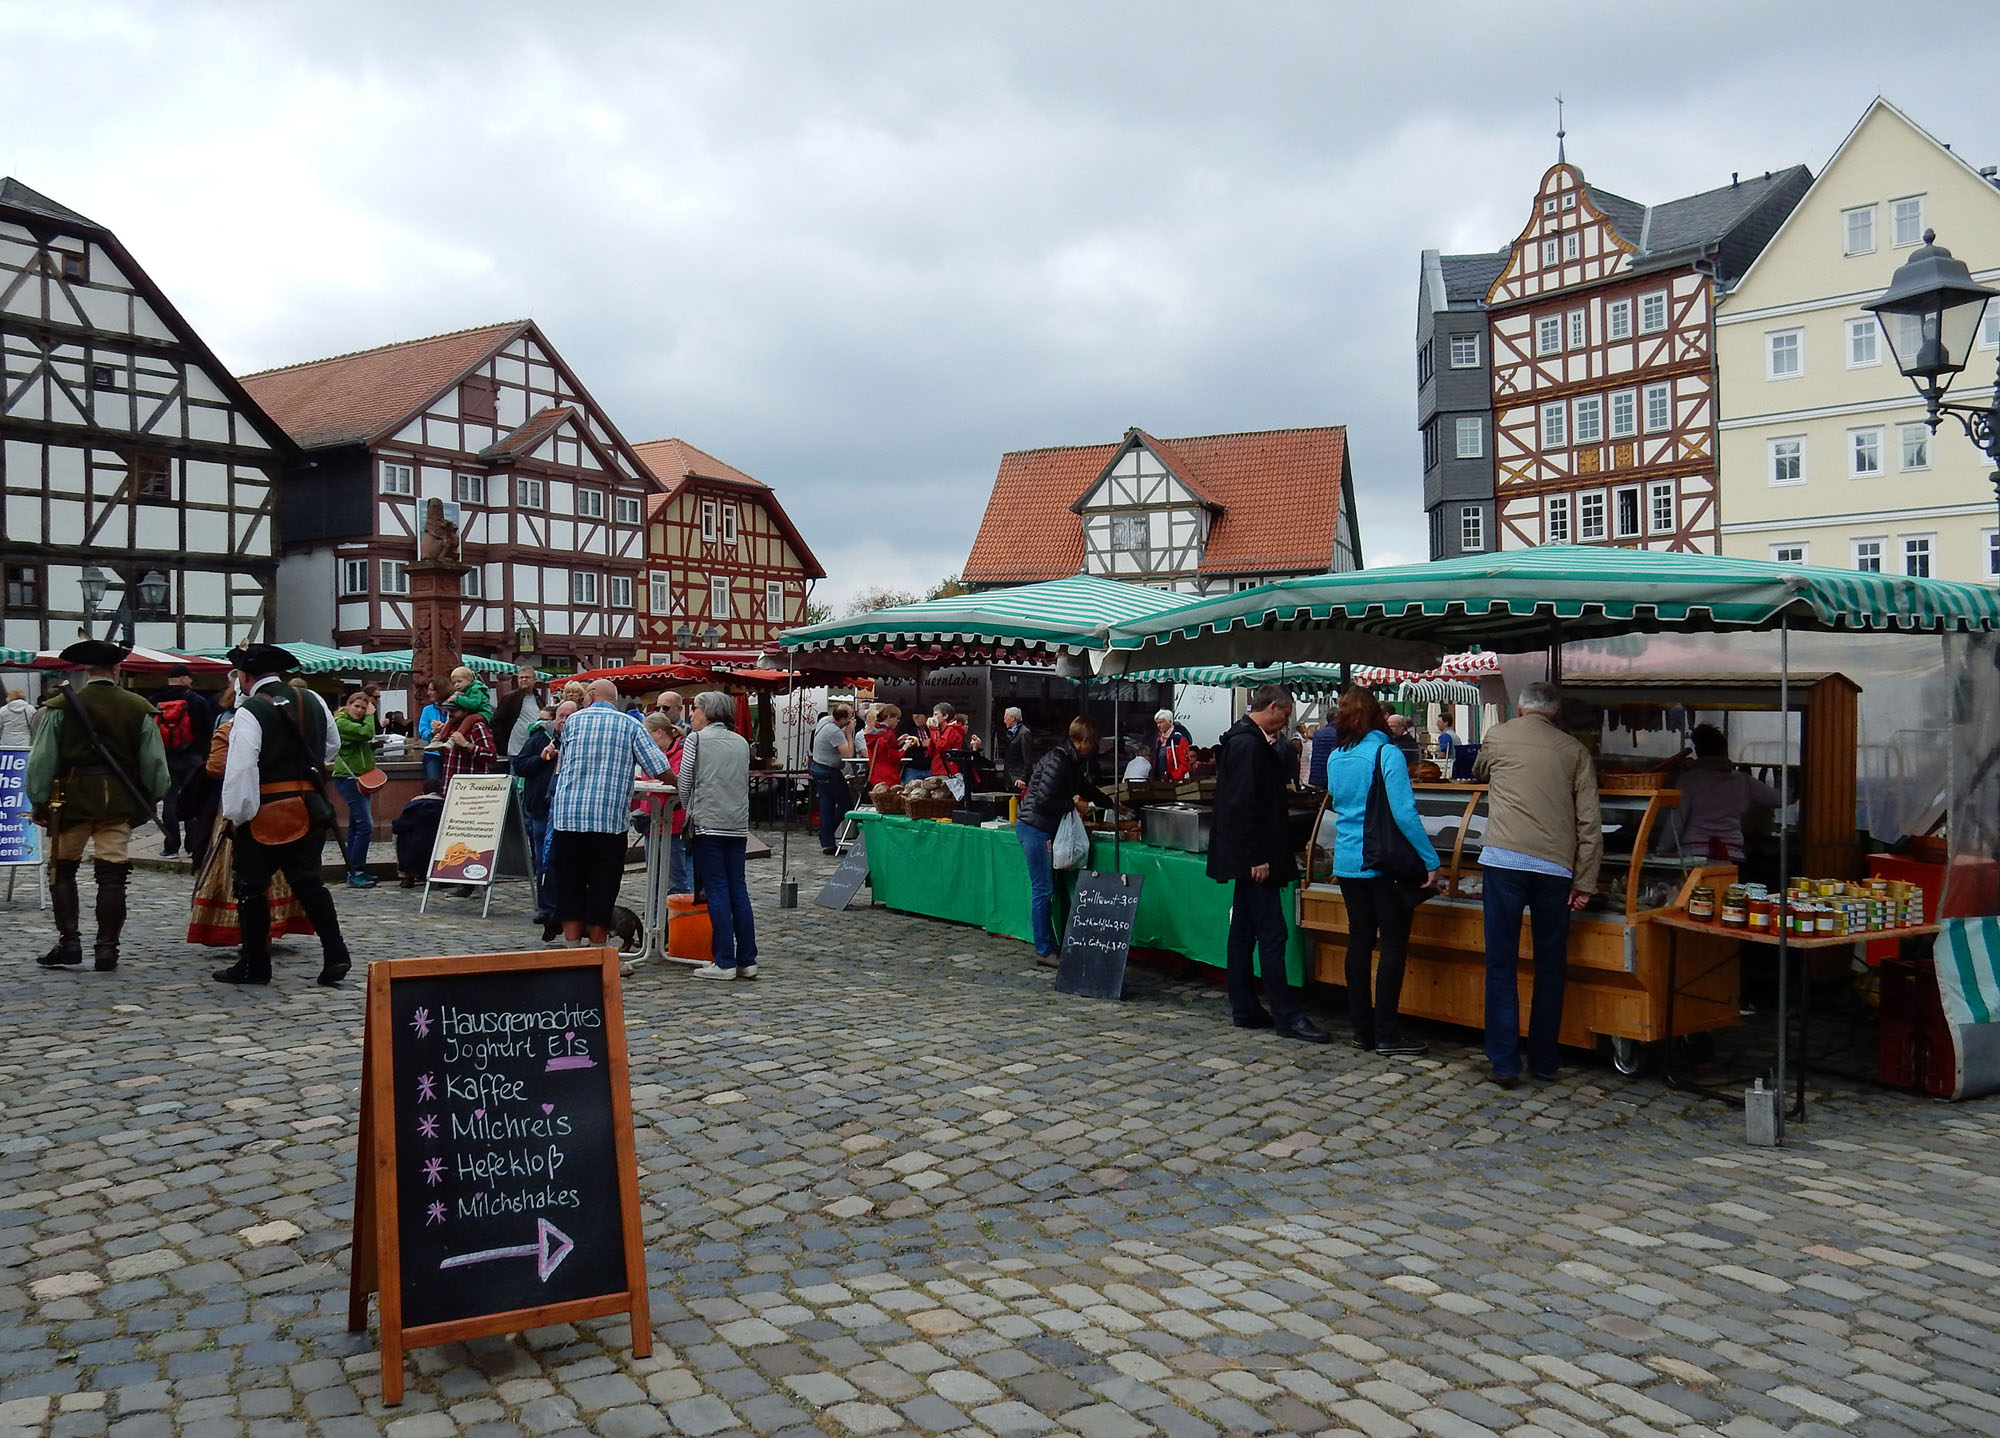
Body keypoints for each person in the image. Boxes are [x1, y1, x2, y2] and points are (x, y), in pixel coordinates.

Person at [1474, 681, 1602, 1088]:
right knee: (1550, 966)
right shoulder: (1574, 751)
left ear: (1520, 707)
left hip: (1504, 861)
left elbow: (1478, 770)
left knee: (1501, 964)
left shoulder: (1498, 736)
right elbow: (1589, 823)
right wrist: (1585, 880)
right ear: (1556, 712)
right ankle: (1545, 1061)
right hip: (1555, 868)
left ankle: (1505, 1063)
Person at [213, 644, 353, 987]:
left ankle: (254, 964)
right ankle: (336, 952)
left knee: (250, 886)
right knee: (309, 882)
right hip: (311, 806)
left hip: (267, 812)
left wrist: (237, 814)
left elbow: (242, 766)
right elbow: (331, 747)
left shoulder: (250, 712)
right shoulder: (315, 701)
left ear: (245, 677)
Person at [27, 640, 170, 971]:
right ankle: (107, 950)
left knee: (62, 868)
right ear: (117, 670)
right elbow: (155, 767)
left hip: (70, 801)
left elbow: (42, 761)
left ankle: (69, 943)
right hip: (118, 801)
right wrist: (150, 797)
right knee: (112, 875)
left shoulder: (59, 706)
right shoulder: (138, 707)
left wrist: (39, 801)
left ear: (85, 672)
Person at [1322, 689, 1443, 1057]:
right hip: (1383, 864)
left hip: (1347, 860)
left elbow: (1337, 801)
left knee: (1359, 942)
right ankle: (1387, 1032)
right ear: (1377, 716)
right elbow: (1404, 814)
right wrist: (1430, 860)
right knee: (1392, 945)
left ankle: (1361, 1029)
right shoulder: (1386, 753)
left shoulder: (1335, 757)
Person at [1209, 684, 1326, 1042]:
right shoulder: (1248, 744)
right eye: (1286, 715)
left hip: (1247, 855)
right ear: (1273, 707)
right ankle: (1287, 1016)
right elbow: (1244, 805)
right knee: (1272, 934)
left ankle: (1245, 1007)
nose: (1286, 723)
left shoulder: (1246, 740)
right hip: (1256, 857)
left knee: (1243, 933)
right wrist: (1257, 856)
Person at [187, 678, 316, 949]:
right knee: (282, 872)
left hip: (245, 804)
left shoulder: (230, 727)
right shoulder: (288, 723)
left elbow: (216, 767)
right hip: (287, 806)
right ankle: (275, 929)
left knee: (244, 874)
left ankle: (248, 937)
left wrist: (235, 814)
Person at [543, 678, 669, 950]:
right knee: (602, 888)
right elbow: (658, 767)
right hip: (607, 819)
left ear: (589, 696)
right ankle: (599, 951)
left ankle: (573, 948)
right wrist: (683, 785)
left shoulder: (573, 722)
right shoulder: (630, 725)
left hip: (569, 816)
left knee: (570, 885)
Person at [1017, 715, 1119, 964]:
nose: (1095, 748)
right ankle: (1044, 950)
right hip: (1036, 828)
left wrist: (1113, 803)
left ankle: (1052, 944)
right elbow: (1043, 800)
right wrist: (1075, 805)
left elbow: (1084, 787)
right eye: (1093, 743)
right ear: (1082, 740)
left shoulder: (1070, 761)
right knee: (1043, 890)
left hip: (1043, 828)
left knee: (1048, 889)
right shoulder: (1058, 760)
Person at [678, 690, 758, 980]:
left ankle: (723, 960)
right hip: (736, 823)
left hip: (708, 822)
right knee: (738, 888)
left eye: (695, 708)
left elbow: (685, 782)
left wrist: (689, 811)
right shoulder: (741, 742)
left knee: (717, 889)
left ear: (708, 711)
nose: (692, 714)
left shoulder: (696, 740)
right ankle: (747, 958)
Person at [1676, 723, 1781, 863]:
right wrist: (1786, 780)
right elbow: (1779, 799)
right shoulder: (1743, 780)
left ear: (1698, 751)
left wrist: (1662, 849)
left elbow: (1677, 818)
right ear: (1724, 751)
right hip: (1731, 852)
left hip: (1693, 853)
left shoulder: (1688, 780)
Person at [148, 664, 213, 858]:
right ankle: (192, 846)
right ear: (184, 679)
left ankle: (171, 846)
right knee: (192, 800)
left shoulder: (153, 700)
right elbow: (207, 731)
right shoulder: (197, 701)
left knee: (170, 802)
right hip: (192, 758)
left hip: (165, 758)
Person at [329, 689, 380, 889]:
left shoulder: (351, 721)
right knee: (365, 825)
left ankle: (355, 868)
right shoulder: (341, 722)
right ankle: (356, 870)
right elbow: (366, 733)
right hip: (349, 778)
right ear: (348, 705)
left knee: (356, 826)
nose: (359, 711)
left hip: (360, 777)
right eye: (357, 706)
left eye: (363, 707)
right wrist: (370, 716)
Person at [809, 702, 856, 855]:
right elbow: (848, 754)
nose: (851, 721)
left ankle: (827, 841)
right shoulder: (834, 732)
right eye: (849, 718)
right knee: (846, 803)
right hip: (829, 771)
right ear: (842, 719)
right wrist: (849, 734)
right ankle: (826, 833)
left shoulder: (824, 721)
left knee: (827, 805)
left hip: (818, 767)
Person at [391, 781, 446, 889]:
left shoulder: (413, 808)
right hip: (437, 849)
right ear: (440, 792)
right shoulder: (445, 807)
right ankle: (442, 877)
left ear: (423, 792)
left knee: (401, 836)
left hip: (413, 851)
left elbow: (398, 826)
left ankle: (408, 876)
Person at [438, 689, 497, 782]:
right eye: (448, 710)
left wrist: (466, 744)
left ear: (466, 710)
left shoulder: (477, 727)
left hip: (471, 786)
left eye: (454, 710)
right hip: (450, 783)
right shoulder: (451, 727)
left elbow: (491, 756)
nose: (450, 714)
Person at [492, 663, 546, 764]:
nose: (524, 680)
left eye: (527, 677)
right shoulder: (509, 698)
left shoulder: (539, 699)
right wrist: (502, 747)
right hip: (515, 750)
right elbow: (497, 723)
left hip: (534, 749)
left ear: (535, 679)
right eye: (521, 677)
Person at [864, 703, 905, 790]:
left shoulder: (874, 732)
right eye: (897, 718)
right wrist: (905, 748)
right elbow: (893, 757)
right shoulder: (890, 734)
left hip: (875, 775)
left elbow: (881, 749)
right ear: (889, 717)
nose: (898, 721)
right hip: (889, 777)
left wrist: (897, 743)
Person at [417, 682, 448, 783]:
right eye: (428, 690)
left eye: (432, 690)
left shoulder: (454, 708)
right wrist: (432, 732)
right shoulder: (427, 710)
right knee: (433, 782)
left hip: (451, 752)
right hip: (433, 754)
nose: (428, 693)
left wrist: (445, 729)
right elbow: (422, 732)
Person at [1152, 710, 1195, 783]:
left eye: (1161, 722)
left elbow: (1185, 764)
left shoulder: (1179, 739)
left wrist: (1175, 777)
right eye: (1157, 723)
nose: (1159, 725)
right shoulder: (1159, 740)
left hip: (1174, 782)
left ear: (1170, 722)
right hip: (1160, 782)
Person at [999, 707, 1035, 792]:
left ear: (1012, 718)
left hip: (1018, 780)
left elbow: (1028, 759)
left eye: (1005, 718)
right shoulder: (1010, 733)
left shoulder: (1024, 733)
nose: (1004, 721)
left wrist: (1023, 778)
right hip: (1009, 778)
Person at [927, 703, 967, 777]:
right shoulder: (939, 731)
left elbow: (941, 746)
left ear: (945, 716)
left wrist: (933, 730)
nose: (933, 718)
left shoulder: (952, 730)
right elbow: (930, 752)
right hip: (937, 769)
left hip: (947, 770)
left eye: (936, 715)